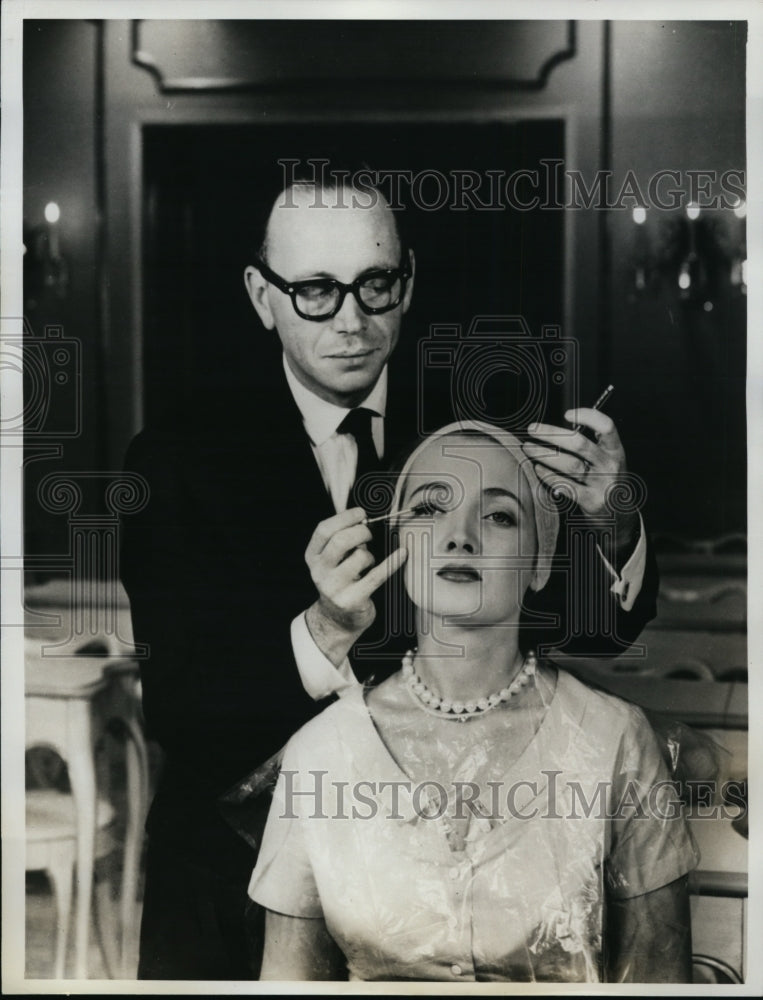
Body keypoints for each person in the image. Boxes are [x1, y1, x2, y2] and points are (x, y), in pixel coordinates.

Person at [120, 164, 658, 979]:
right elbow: (181, 707)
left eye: (374, 285)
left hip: (448, 888)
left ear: (407, 285)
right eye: (314, 292)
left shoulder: (473, 429)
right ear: (261, 295)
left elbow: (601, 625)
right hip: (229, 883)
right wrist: (322, 632)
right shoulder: (173, 459)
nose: (350, 321)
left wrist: (611, 520)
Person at [248, 422, 698, 983]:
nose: (459, 537)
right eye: (429, 509)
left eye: (500, 515)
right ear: (395, 552)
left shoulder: (613, 740)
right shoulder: (321, 751)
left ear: (539, 563)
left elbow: (659, 982)